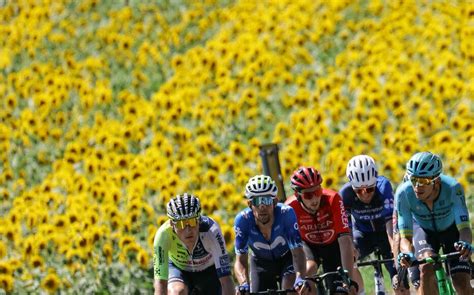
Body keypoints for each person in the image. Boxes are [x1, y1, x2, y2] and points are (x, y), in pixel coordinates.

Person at [396, 152, 472, 295]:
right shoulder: (403, 193)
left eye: (423, 181)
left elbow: (464, 229)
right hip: (423, 231)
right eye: (413, 179)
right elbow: (405, 237)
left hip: (451, 230)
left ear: (436, 181)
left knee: (462, 282)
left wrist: (465, 244)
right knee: (426, 267)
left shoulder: (453, 188)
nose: (417, 186)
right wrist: (406, 253)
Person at [285, 166, 359, 294]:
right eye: (308, 195)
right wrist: (300, 279)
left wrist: (348, 279)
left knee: (341, 290)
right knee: (307, 275)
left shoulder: (333, 198)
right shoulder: (289, 208)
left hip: (333, 244)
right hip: (308, 246)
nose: (314, 199)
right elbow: (293, 247)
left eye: (317, 192)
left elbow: (345, 240)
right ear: (298, 195)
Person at [233, 175, 309, 295]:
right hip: (260, 262)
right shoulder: (242, 220)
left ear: (275, 201)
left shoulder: (286, 213)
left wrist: (300, 278)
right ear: (249, 204)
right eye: (257, 201)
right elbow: (241, 260)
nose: (262, 207)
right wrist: (243, 283)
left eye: (267, 200)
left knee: (291, 290)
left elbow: (298, 251)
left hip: (287, 258)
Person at [339, 155, 404, 294]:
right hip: (363, 234)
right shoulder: (345, 194)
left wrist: (395, 250)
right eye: (359, 191)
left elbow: (390, 224)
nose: (365, 195)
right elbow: (346, 229)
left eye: (369, 189)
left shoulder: (383, 186)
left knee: (399, 280)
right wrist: (351, 249)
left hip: (385, 233)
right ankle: (359, 291)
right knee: (348, 258)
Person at [153, 193, 235, 295]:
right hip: (178, 269)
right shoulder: (163, 235)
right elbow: (160, 282)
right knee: (177, 292)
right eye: (181, 224)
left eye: (192, 222)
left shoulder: (211, 230)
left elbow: (226, 279)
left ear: (199, 220)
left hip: (209, 270)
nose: (188, 230)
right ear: (172, 224)